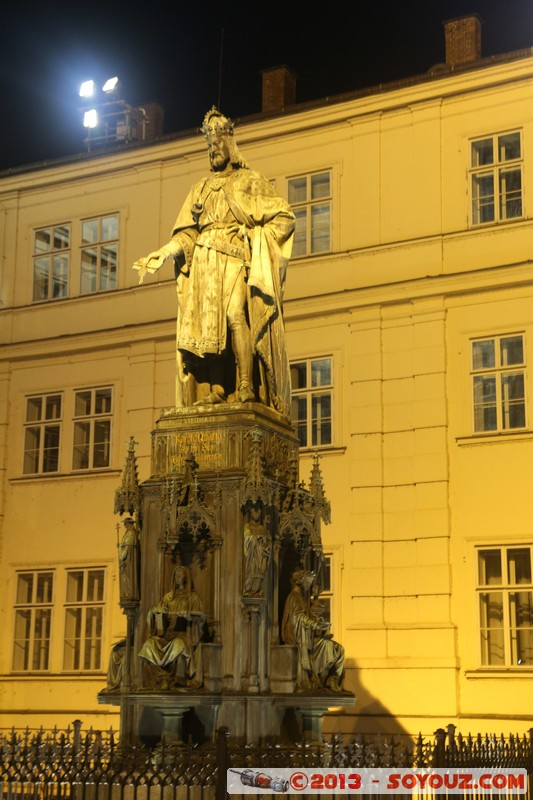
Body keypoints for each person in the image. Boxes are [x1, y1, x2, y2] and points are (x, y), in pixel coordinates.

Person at [133, 108, 295, 415]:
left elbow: (284, 218)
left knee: (235, 316)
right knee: (211, 328)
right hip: (205, 265)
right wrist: (165, 252)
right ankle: (220, 388)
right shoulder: (200, 189)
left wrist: (252, 234)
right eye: (209, 147)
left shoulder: (250, 181)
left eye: (217, 145)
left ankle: (246, 384)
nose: (212, 151)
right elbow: (187, 234)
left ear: (230, 146)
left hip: (234, 258)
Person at [138, 565, 206, 690]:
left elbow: (201, 618)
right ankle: (159, 678)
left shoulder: (192, 598)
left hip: (183, 634)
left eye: (181, 575)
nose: (178, 577)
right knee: (149, 644)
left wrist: (189, 617)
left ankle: (179, 680)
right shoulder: (168, 598)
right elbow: (155, 616)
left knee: (179, 645)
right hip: (166, 635)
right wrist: (154, 612)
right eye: (176, 575)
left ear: (186, 577)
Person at [281, 569, 344, 692]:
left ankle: (332, 679)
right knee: (336, 649)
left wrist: (319, 622)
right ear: (301, 581)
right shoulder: (294, 597)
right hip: (300, 640)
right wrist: (316, 625)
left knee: (338, 650)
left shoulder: (301, 597)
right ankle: (316, 679)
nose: (308, 585)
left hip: (308, 638)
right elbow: (298, 617)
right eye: (308, 582)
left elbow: (306, 616)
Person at [118, 518, 139, 602]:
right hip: (127, 558)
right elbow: (124, 545)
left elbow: (127, 547)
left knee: (127, 576)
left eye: (126, 524)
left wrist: (122, 558)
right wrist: (120, 545)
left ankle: (129, 594)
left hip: (128, 559)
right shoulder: (129, 532)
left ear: (130, 524)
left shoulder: (130, 533)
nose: (125, 526)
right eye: (125, 524)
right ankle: (126, 593)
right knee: (125, 576)